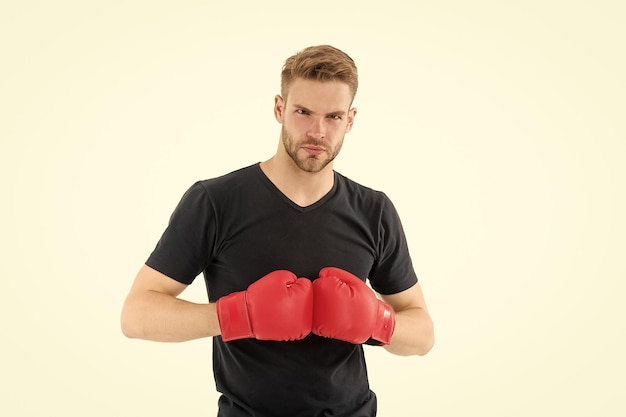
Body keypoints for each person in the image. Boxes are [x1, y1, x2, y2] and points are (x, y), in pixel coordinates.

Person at [121, 44, 434, 417]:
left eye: (333, 116)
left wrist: (377, 322)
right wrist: (238, 315)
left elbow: (422, 334)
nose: (317, 131)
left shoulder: (373, 210)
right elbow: (136, 316)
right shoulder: (216, 201)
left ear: (350, 120)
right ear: (279, 108)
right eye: (303, 112)